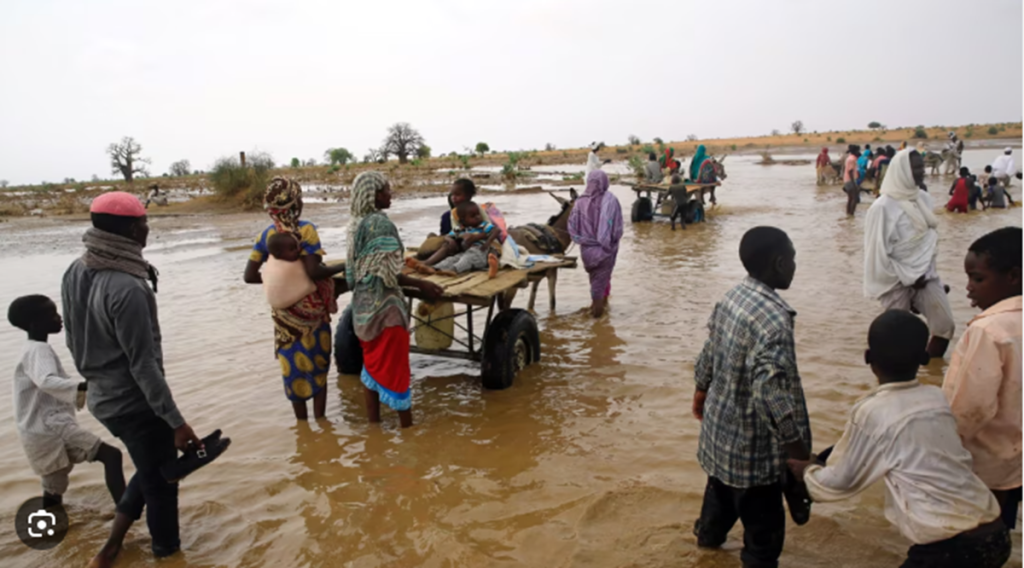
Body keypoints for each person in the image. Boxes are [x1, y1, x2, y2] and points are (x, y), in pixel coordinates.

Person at [788, 310, 1010, 568]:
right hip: (994, 530)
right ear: (925, 358)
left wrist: (809, 471)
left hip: (950, 547)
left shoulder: (872, 411)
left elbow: (841, 482)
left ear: (868, 358)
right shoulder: (937, 398)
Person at [61, 191, 206, 567]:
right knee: (161, 485)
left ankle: (112, 547)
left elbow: (73, 340)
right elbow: (144, 366)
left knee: (150, 467)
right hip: (135, 402)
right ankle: (166, 554)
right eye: (143, 222)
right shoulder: (127, 287)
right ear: (128, 229)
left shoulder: (76, 270)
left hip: (102, 396)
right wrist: (175, 421)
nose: (147, 229)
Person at [691, 226, 810, 568]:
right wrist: (799, 453)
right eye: (793, 259)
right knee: (762, 545)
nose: (795, 265)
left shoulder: (732, 297)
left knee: (716, 513)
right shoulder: (774, 320)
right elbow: (770, 394)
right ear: (778, 263)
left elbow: (710, 348)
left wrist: (701, 388)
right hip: (755, 459)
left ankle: (705, 549)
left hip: (721, 442)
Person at [7, 295, 125, 509]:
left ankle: (51, 530)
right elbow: (47, 380)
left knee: (54, 486)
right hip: (50, 427)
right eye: (52, 314)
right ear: (36, 323)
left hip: (41, 430)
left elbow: (51, 381)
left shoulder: (32, 349)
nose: (59, 317)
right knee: (111, 456)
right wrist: (88, 387)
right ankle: (126, 512)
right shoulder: (38, 350)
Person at [347, 172, 444, 428]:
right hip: (386, 310)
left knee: (371, 369)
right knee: (397, 371)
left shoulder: (355, 223)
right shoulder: (379, 224)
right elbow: (390, 274)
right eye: (386, 190)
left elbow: (350, 275)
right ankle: (407, 430)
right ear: (374, 194)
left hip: (362, 310)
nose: (391, 194)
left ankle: (374, 428)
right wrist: (421, 284)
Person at [243, 178, 344, 420]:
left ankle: (302, 426)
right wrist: (342, 267)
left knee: (293, 370)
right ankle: (321, 421)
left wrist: (278, 281)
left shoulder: (265, 237)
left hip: (284, 319)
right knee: (318, 367)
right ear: (294, 204)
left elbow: (249, 276)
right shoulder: (306, 231)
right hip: (313, 314)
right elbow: (314, 271)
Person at [942, 227, 1022, 531]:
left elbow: (969, 408)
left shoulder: (987, 331)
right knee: (1000, 527)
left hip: (984, 465)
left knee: (976, 534)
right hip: (1015, 462)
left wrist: (942, 451)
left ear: (1013, 276)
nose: (968, 288)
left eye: (978, 279)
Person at [863, 149, 955, 358]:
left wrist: (922, 274)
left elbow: (925, 243)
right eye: (916, 167)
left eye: (922, 166)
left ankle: (929, 370)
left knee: (945, 326)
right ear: (903, 170)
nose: (922, 171)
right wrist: (909, 278)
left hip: (926, 276)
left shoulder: (923, 198)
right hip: (895, 280)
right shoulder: (882, 207)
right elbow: (877, 253)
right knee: (898, 338)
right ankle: (901, 383)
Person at [567, 170, 623, 318]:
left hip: (587, 253)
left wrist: (585, 241)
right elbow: (617, 230)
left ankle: (598, 322)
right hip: (604, 252)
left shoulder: (579, 202)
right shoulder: (610, 200)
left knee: (595, 286)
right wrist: (607, 244)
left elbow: (572, 229)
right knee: (598, 292)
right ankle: (598, 330)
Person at [429, 201, 501, 276]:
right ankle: (434, 269)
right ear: (463, 220)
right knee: (452, 259)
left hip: (480, 252)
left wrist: (488, 242)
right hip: (465, 252)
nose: (477, 217)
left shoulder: (483, 225)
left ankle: (454, 270)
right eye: (473, 216)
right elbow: (447, 236)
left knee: (467, 259)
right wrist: (450, 241)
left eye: (478, 214)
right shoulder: (461, 228)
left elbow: (496, 230)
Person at [843, 144, 861, 216]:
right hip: (850, 180)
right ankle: (851, 214)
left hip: (847, 180)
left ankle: (848, 214)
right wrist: (854, 184)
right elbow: (850, 171)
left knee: (850, 198)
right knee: (854, 198)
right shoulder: (852, 159)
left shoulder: (849, 158)